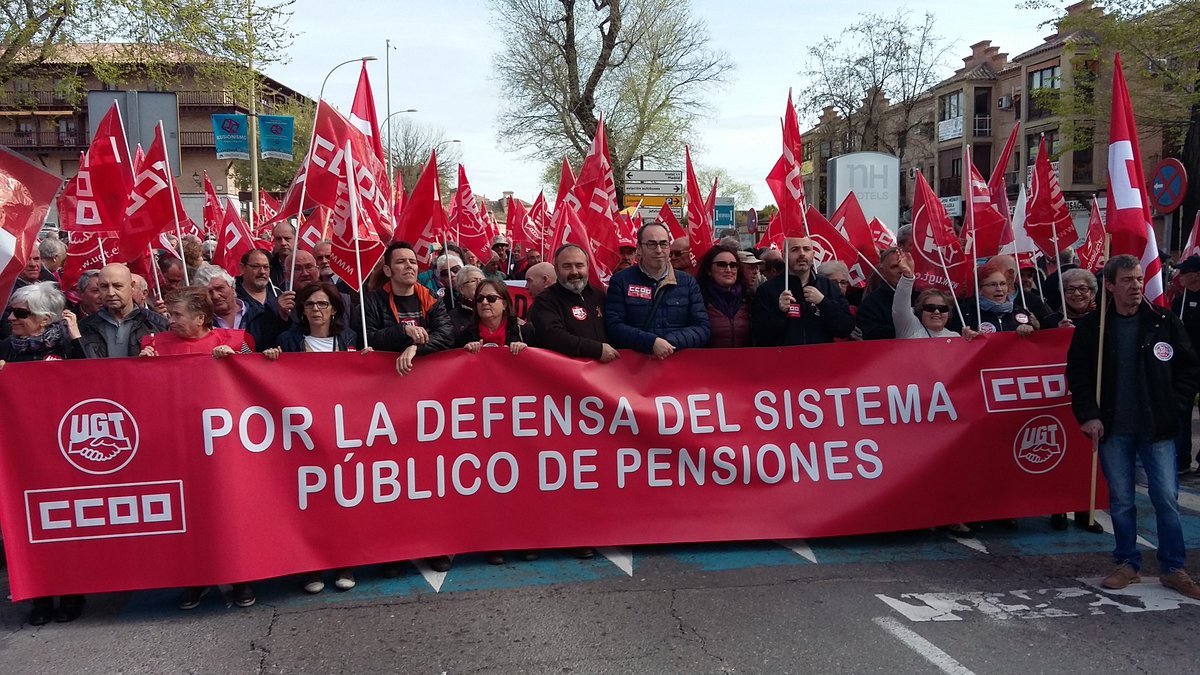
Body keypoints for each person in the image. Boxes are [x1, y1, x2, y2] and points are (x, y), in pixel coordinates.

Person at [1066, 254, 1200, 599]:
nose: (1136, 286)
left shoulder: (1163, 321)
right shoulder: (1093, 328)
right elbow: (1078, 377)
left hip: (1157, 429)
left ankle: (1173, 567)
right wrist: (1088, 415)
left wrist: (1176, 406)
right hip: (1113, 428)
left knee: (1167, 498)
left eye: (1139, 279)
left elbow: (1188, 369)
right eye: (1126, 280)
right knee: (1122, 500)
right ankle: (1127, 562)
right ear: (1110, 286)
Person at [262, 282, 360, 593]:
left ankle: (344, 561)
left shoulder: (349, 338)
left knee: (341, 499)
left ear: (333, 309)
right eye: (309, 305)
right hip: (301, 434)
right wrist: (272, 358)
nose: (316, 310)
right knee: (309, 502)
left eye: (322, 304)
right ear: (301, 311)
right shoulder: (288, 340)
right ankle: (312, 567)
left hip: (339, 432)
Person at [0, 283, 86, 626]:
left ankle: (71, 591)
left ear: (45, 319)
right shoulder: (5, 350)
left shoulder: (67, 347)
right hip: (20, 455)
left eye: (22, 313)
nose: (12, 318)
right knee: (25, 526)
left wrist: (77, 339)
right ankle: (38, 596)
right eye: (11, 312)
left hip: (62, 451)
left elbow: (92, 381)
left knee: (64, 524)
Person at [458, 278, 534, 564]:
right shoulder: (463, 334)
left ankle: (525, 537)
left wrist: (528, 353)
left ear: (505, 303)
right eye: (480, 300)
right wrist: (463, 353)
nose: (485, 304)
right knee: (489, 483)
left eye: (491, 298)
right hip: (480, 421)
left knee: (523, 480)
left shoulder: (525, 332)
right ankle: (493, 541)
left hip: (518, 418)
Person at [605, 223, 709, 358]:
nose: (659, 250)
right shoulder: (620, 281)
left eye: (664, 244)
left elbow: (702, 328)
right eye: (652, 244)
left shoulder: (688, 282)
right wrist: (650, 343)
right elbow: (613, 326)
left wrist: (669, 343)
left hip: (678, 365)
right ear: (639, 249)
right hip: (635, 368)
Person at [359, 242, 454, 374]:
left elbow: (446, 334)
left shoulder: (431, 297)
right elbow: (367, 338)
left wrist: (416, 348)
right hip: (384, 377)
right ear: (388, 270)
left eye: (412, 262)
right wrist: (403, 331)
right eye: (401, 262)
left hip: (426, 376)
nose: (409, 266)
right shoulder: (372, 301)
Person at [750, 237, 854, 346]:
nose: (802, 254)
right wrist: (779, 312)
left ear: (813, 254)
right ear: (784, 256)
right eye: (795, 249)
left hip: (820, 360)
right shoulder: (768, 290)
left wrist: (823, 303)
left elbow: (846, 328)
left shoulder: (827, 286)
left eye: (806, 249)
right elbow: (760, 336)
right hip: (783, 360)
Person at [530, 244, 618, 364]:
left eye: (579, 265)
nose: (574, 272)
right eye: (567, 266)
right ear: (556, 269)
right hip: (568, 375)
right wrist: (596, 350)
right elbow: (553, 336)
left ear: (587, 267)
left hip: (605, 375)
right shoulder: (545, 301)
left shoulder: (599, 296)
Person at [72, 264, 168, 359]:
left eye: (117, 286)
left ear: (132, 286)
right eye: (104, 286)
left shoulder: (158, 325)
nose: (111, 293)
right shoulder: (85, 328)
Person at [138, 287, 253, 358]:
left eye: (177, 315)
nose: (170, 321)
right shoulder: (154, 346)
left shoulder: (233, 342)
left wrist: (235, 360)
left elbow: (251, 375)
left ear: (200, 319)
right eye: (170, 314)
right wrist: (146, 366)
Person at [194, 265, 283, 351]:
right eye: (208, 292)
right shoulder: (201, 324)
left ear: (232, 287)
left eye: (220, 288)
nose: (215, 296)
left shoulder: (261, 315)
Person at [890, 254, 977, 341]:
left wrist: (968, 342)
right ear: (921, 311)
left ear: (948, 313)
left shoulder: (955, 337)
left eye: (942, 308)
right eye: (930, 308)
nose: (936, 311)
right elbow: (900, 306)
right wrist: (907, 276)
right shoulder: (909, 326)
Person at [960, 258, 1039, 335]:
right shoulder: (966, 313)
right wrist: (970, 340)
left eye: (1002, 284)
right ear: (980, 289)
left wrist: (1035, 329)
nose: (999, 289)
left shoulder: (1020, 311)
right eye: (993, 284)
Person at [1172, 255, 1200, 473]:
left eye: (1185, 272)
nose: (1180, 276)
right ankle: (1182, 459)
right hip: (1185, 367)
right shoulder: (1179, 301)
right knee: (1182, 411)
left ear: (1196, 275)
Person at [698, 245, 752, 348]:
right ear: (709, 270)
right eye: (721, 265)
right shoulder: (698, 298)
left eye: (733, 265)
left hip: (743, 360)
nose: (728, 270)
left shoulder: (749, 298)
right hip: (708, 362)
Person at [855, 248, 909, 341]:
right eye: (895, 266)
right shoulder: (871, 304)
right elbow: (871, 335)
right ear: (883, 271)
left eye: (905, 265)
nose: (902, 270)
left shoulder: (924, 297)